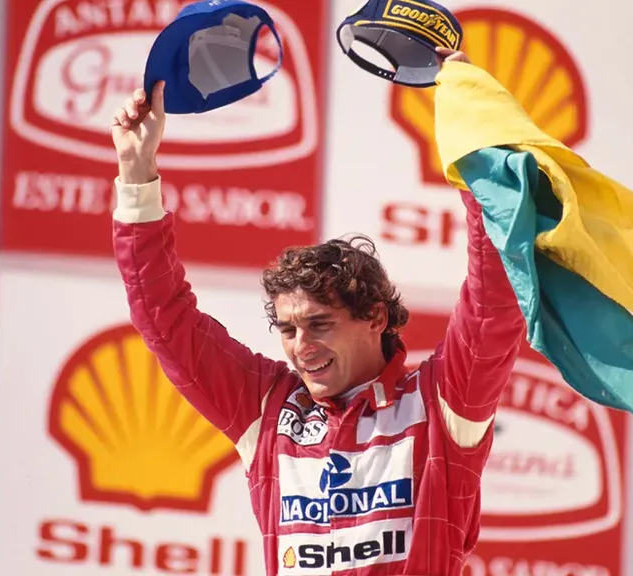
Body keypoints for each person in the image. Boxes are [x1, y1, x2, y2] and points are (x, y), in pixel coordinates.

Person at [110, 48, 525, 575]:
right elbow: (164, 319)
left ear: (375, 317)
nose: (301, 346)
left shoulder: (441, 402)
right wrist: (136, 175)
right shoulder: (267, 408)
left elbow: (492, 304)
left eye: (319, 325)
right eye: (287, 329)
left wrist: (473, 144)